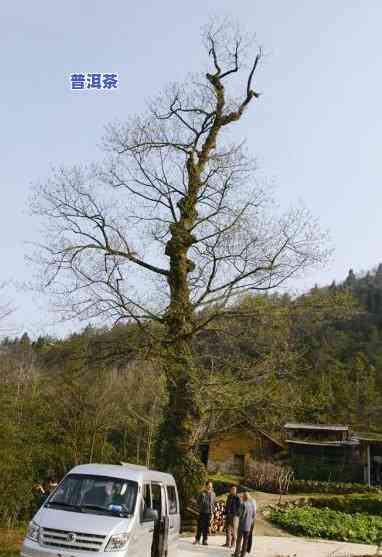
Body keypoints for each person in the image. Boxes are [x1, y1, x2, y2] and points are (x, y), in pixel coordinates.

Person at [232, 490, 256, 557]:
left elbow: (239, 514)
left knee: (239, 541)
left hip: (242, 525)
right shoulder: (252, 504)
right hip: (248, 526)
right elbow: (254, 514)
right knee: (245, 541)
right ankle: (243, 555)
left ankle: (236, 554)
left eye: (242, 497)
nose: (241, 498)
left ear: (244, 497)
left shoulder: (243, 504)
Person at [193, 481, 216, 546]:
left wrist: (213, 512)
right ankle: (197, 539)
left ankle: (205, 540)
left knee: (206, 527)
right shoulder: (202, 493)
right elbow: (198, 501)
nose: (210, 487)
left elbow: (214, 503)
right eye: (209, 485)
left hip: (209, 513)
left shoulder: (213, 494)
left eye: (211, 486)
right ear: (206, 486)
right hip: (202, 512)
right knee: (200, 526)